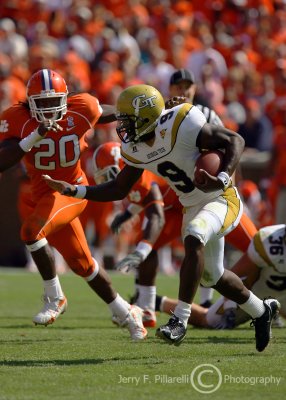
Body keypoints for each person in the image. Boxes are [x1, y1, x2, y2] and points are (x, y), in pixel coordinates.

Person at [44, 84, 280, 352]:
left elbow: (234, 140)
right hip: (192, 205)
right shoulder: (136, 148)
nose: (122, 126)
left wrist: (222, 178)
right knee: (213, 276)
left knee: (194, 234)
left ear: (145, 116)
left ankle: (179, 320)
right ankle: (261, 311)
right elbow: (118, 188)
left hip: (221, 198)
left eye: (127, 119)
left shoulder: (183, 122)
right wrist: (75, 190)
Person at [0, 68, 146, 340]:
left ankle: (54, 297)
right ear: (29, 102)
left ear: (66, 99)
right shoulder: (16, 119)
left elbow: (102, 111)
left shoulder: (82, 108)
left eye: (53, 101)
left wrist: (136, 110)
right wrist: (35, 136)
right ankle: (126, 312)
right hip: (43, 196)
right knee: (84, 265)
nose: (48, 108)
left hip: (71, 192)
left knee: (31, 232)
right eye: (41, 103)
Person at [93, 141, 258, 328]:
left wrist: (142, 248)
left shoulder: (141, 168)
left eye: (110, 175)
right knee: (153, 246)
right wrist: (127, 215)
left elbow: (155, 213)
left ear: (122, 166)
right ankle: (147, 308)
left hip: (210, 201)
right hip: (176, 209)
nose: (108, 181)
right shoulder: (135, 171)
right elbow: (148, 198)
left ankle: (266, 297)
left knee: (258, 246)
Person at [168, 68, 257, 308]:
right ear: (170, 90)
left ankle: (255, 300)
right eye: (178, 86)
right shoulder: (164, 116)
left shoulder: (206, 114)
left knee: (255, 246)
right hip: (186, 194)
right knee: (196, 249)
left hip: (217, 192)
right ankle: (206, 304)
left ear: (195, 88)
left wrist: (227, 182)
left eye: (188, 86)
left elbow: (230, 148)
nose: (184, 91)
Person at [157, 224, 286, 329]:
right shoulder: (268, 241)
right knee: (208, 320)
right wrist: (231, 304)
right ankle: (157, 302)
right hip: (259, 292)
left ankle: (274, 313)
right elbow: (237, 278)